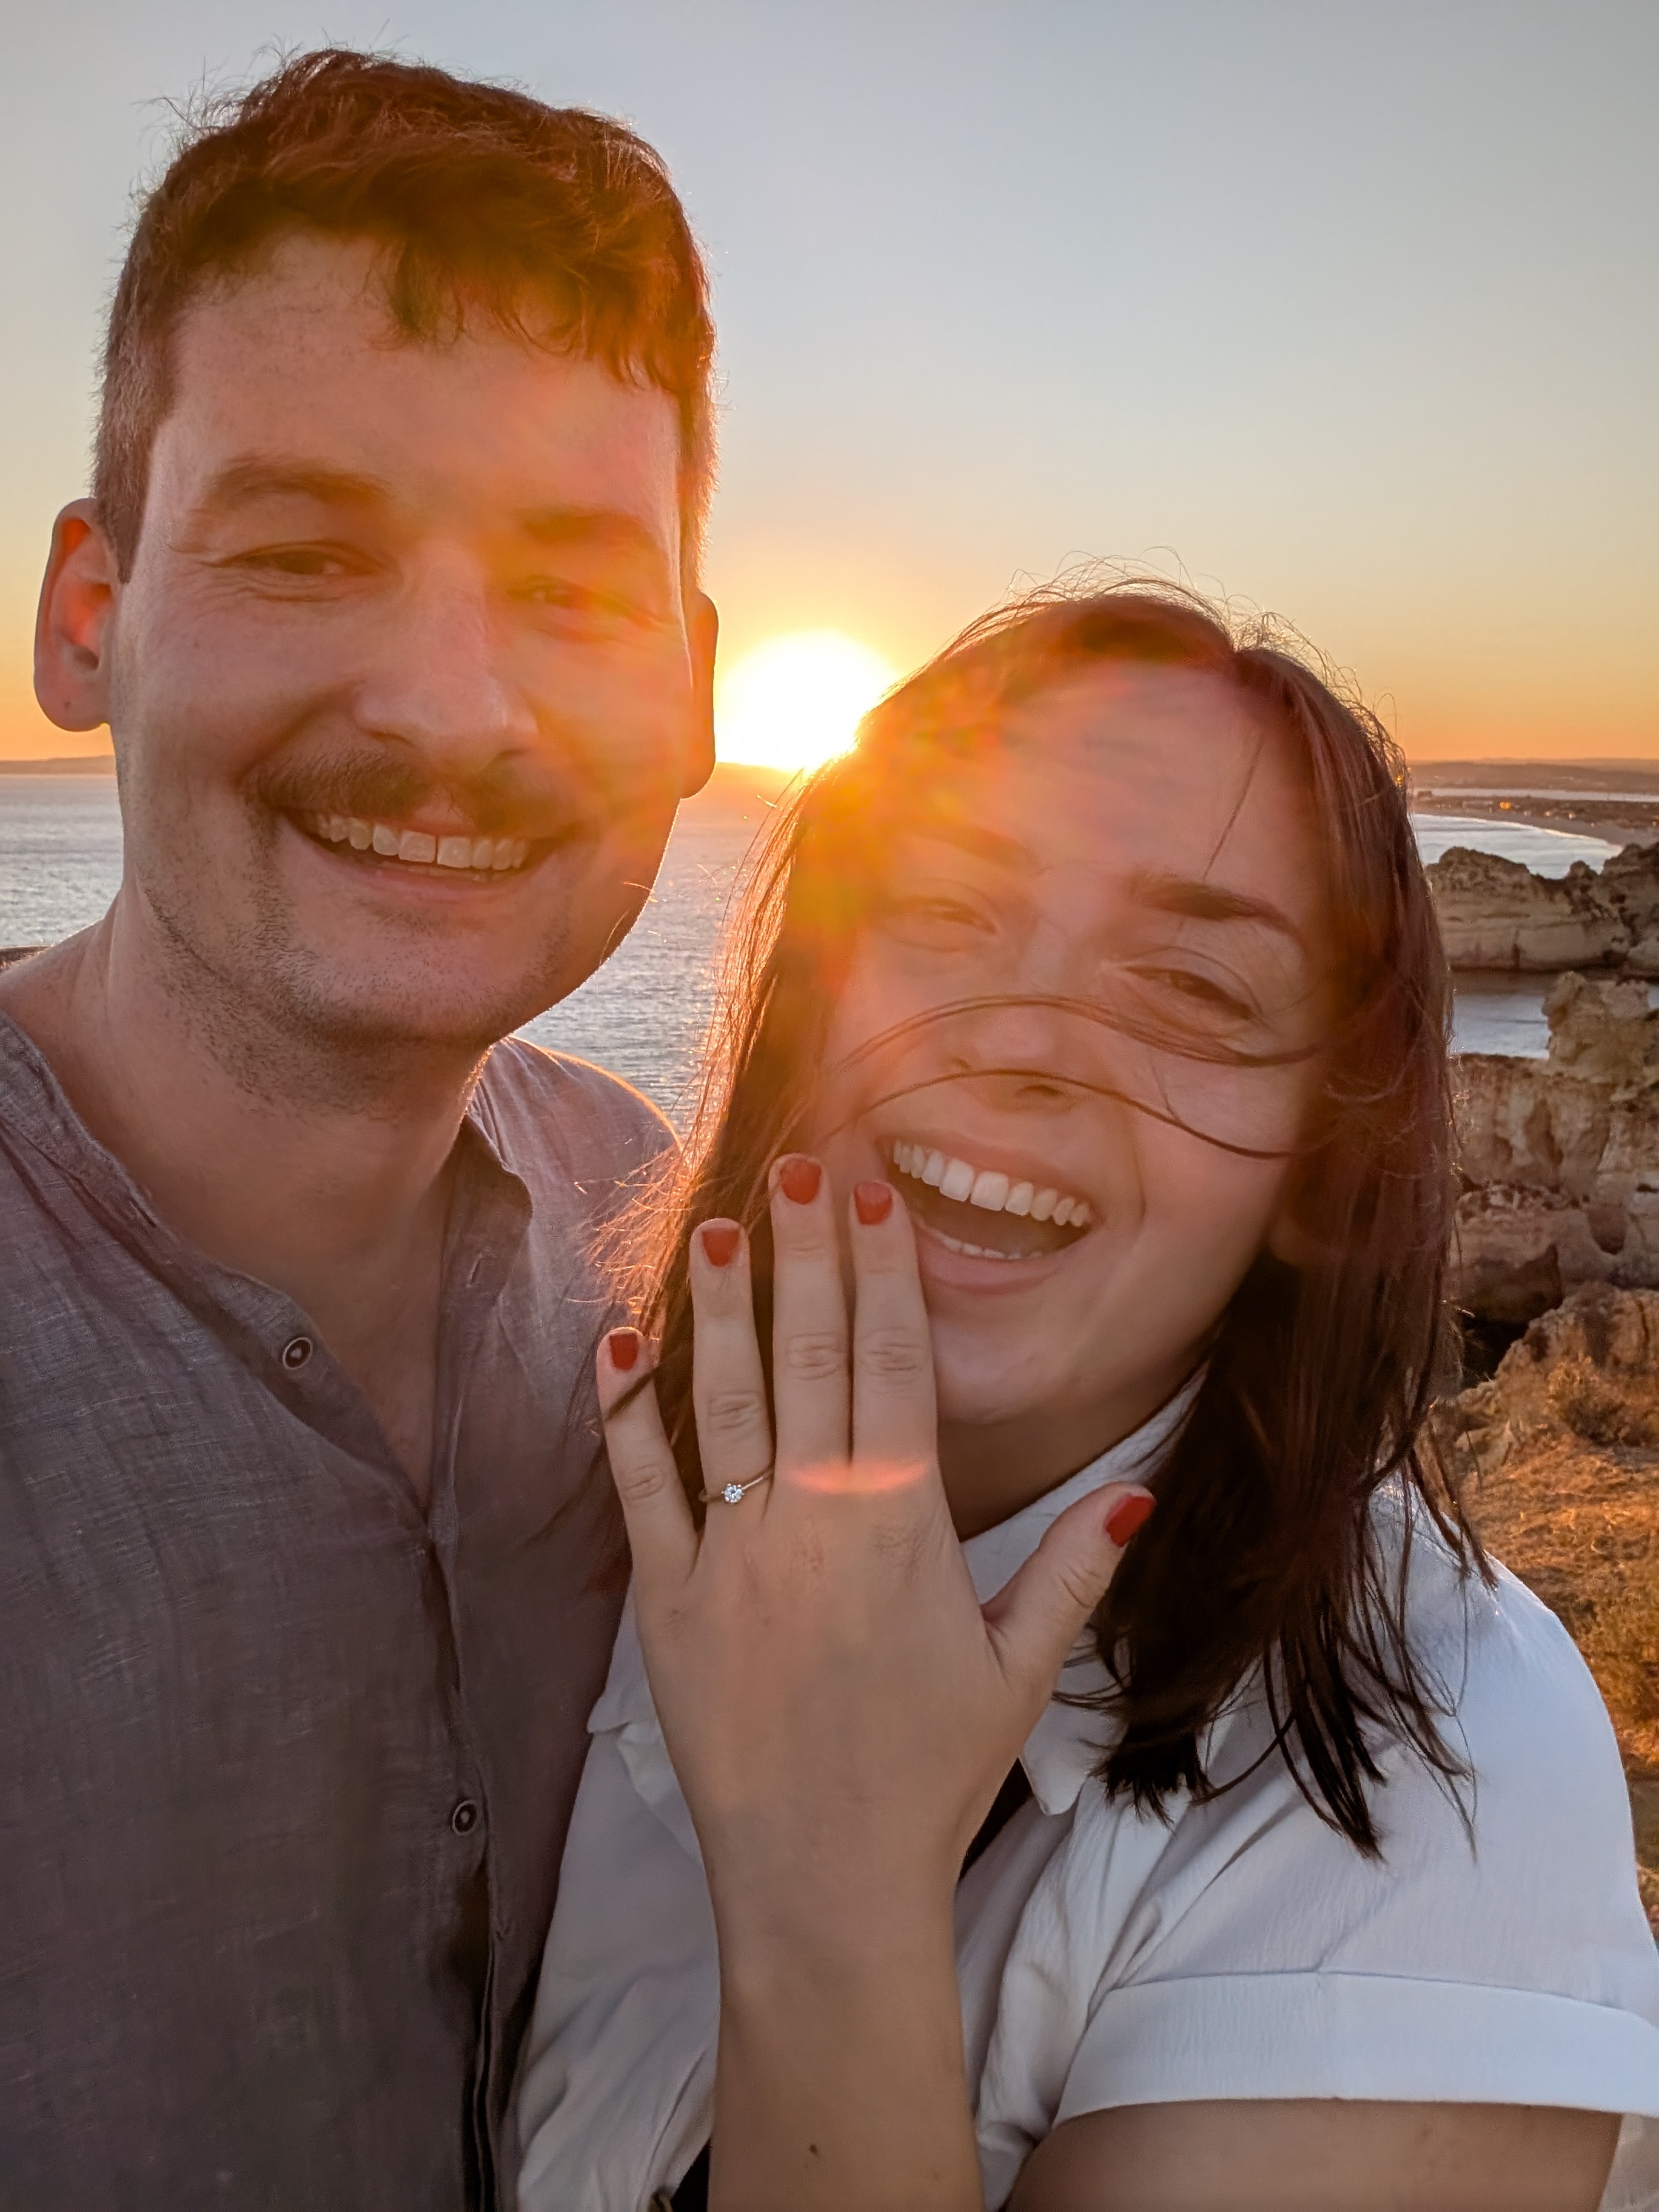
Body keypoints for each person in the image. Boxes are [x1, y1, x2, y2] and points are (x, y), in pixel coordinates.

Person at [516, 587, 1659, 2211]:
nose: (1024, 1045)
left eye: (1193, 986)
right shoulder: (568, 1501)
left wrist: (834, 1885)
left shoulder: (1438, 1760)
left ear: (1316, 1162)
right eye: (948, 917)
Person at [1, 50, 718, 2211]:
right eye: (307, 550)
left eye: (574, 593)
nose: (446, 708)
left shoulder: (665, 1236)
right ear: (89, 615)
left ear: (693, 688)